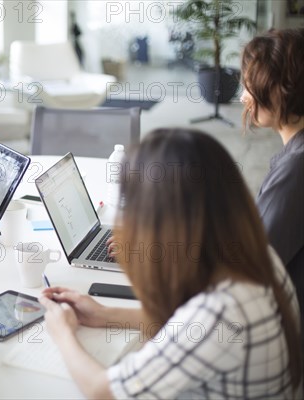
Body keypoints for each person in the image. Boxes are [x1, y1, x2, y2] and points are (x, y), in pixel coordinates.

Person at [40, 129, 302, 398]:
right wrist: (105, 314)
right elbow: (184, 326)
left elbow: (102, 391)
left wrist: (63, 333)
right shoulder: (254, 253)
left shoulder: (220, 312)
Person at [240, 28, 304, 334]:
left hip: (279, 332)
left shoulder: (296, 168)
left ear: (282, 89)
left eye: (251, 86)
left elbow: (247, 267)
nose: (243, 97)